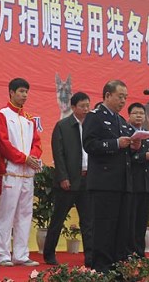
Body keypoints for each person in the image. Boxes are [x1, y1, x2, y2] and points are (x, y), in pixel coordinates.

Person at [82, 80, 140, 273]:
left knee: (121, 229)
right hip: (104, 183)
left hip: (122, 183)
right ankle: (102, 268)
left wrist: (133, 147)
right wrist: (116, 144)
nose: (123, 100)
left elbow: (125, 151)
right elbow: (89, 145)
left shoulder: (121, 121)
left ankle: (118, 266)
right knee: (104, 228)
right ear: (107, 95)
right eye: (120, 96)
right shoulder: (95, 117)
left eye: (125, 97)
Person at [0, 78, 42, 267]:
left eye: (26, 92)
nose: (24, 95)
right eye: (21, 91)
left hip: (27, 173)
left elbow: (36, 143)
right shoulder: (2, 115)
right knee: (6, 213)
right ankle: (3, 254)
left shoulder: (29, 119)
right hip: (9, 171)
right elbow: (3, 143)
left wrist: (33, 156)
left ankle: (21, 254)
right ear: (11, 92)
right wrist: (23, 158)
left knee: (25, 213)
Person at [43, 92, 92, 267]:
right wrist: (63, 177)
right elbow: (59, 154)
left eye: (88, 105)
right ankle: (49, 254)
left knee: (88, 221)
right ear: (73, 108)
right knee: (58, 219)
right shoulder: (63, 126)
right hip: (68, 181)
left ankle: (90, 257)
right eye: (82, 106)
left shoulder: (92, 126)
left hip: (88, 180)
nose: (86, 109)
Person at [127, 102, 149, 257]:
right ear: (129, 115)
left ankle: (140, 253)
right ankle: (130, 252)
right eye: (136, 113)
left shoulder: (148, 134)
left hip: (146, 183)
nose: (139, 116)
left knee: (142, 221)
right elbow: (126, 157)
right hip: (131, 183)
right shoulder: (126, 133)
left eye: (141, 113)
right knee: (131, 220)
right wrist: (143, 156)